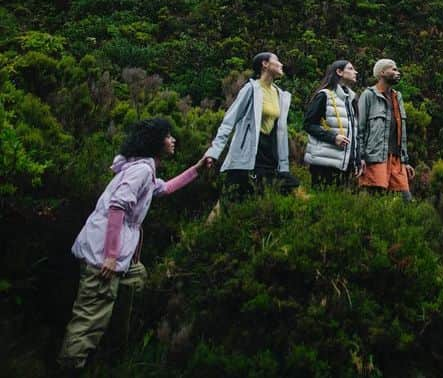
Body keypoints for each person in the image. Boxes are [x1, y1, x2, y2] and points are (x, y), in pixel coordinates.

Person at [58, 118, 209, 370]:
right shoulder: (141, 171)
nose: (173, 140)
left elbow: (163, 189)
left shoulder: (144, 170)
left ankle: (114, 352)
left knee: (137, 279)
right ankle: (69, 367)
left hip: (120, 258)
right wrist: (110, 255)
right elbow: (118, 206)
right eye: (168, 136)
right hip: (103, 256)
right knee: (88, 321)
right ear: (155, 142)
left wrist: (197, 169)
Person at [203, 52, 297, 202]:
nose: (281, 64)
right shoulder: (251, 89)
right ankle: (209, 225)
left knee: (272, 195)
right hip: (247, 154)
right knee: (229, 201)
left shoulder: (280, 94)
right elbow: (229, 121)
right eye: (277, 61)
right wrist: (214, 152)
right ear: (265, 64)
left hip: (270, 154)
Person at [357, 58, 413, 199]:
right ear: (382, 72)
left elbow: (402, 131)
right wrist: (361, 157)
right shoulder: (369, 95)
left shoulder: (397, 96)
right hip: (375, 158)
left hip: (396, 159)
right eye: (393, 69)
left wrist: (405, 161)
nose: (397, 72)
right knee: (375, 197)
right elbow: (360, 128)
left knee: (405, 198)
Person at [303, 60, 360, 189]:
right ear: (339, 72)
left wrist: (357, 161)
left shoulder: (351, 100)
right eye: (350, 69)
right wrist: (333, 137)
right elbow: (308, 124)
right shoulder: (324, 96)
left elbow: (355, 134)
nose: (355, 72)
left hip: (346, 165)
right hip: (324, 164)